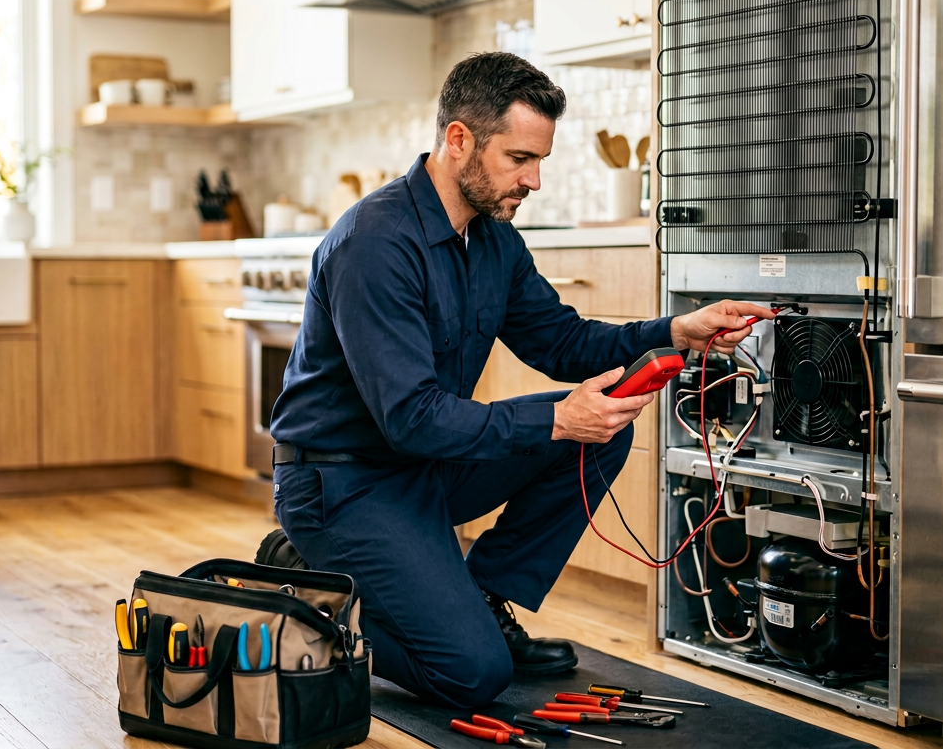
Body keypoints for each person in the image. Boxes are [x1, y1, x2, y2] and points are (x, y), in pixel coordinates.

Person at [256, 52, 772, 708]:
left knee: (602, 424)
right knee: (474, 676)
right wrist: (557, 418)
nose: (533, 181)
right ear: (458, 140)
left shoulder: (493, 239)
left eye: (540, 162)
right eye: (519, 159)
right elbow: (410, 416)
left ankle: (481, 596)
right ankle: (298, 586)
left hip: (427, 468)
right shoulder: (375, 243)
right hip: (343, 484)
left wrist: (677, 331)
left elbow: (563, 341)